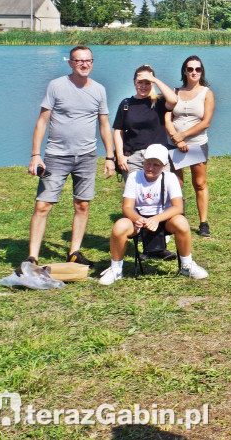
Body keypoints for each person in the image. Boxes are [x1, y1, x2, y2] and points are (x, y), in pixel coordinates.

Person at [26, 45, 115, 266]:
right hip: (56, 155)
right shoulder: (56, 86)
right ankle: (32, 257)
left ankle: (74, 252)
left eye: (88, 60)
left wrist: (110, 156)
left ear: (92, 62)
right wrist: (36, 155)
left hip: (86, 156)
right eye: (79, 61)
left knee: (82, 205)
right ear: (70, 63)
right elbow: (42, 121)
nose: (84, 64)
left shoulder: (99, 90)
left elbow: (104, 125)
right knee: (43, 205)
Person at [98, 144, 209, 285]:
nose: (150, 168)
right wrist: (138, 219)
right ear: (143, 162)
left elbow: (178, 207)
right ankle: (116, 269)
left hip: (163, 221)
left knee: (181, 222)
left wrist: (156, 219)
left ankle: (187, 265)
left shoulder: (170, 178)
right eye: (148, 163)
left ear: (164, 165)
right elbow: (127, 208)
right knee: (119, 226)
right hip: (138, 221)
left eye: (156, 165)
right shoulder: (134, 177)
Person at [166, 55, 214, 238]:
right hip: (174, 144)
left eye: (197, 69)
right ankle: (179, 216)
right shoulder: (175, 91)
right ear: (184, 71)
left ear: (202, 72)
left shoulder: (206, 93)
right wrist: (176, 139)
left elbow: (206, 122)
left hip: (197, 143)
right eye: (190, 69)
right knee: (176, 183)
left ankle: (203, 223)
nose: (194, 72)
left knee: (199, 183)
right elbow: (168, 117)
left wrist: (184, 136)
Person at [112, 65, 179, 173]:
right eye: (140, 82)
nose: (143, 86)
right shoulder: (126, 103)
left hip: (158, 156)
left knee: (160, 189)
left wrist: (155, 80)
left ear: (152, 84)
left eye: (147, 83)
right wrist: (120, 156)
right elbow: (119, 131)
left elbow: (173, 100)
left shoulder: (158, 101)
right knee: (134, 189)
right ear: (134, 82)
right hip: (133, 158)